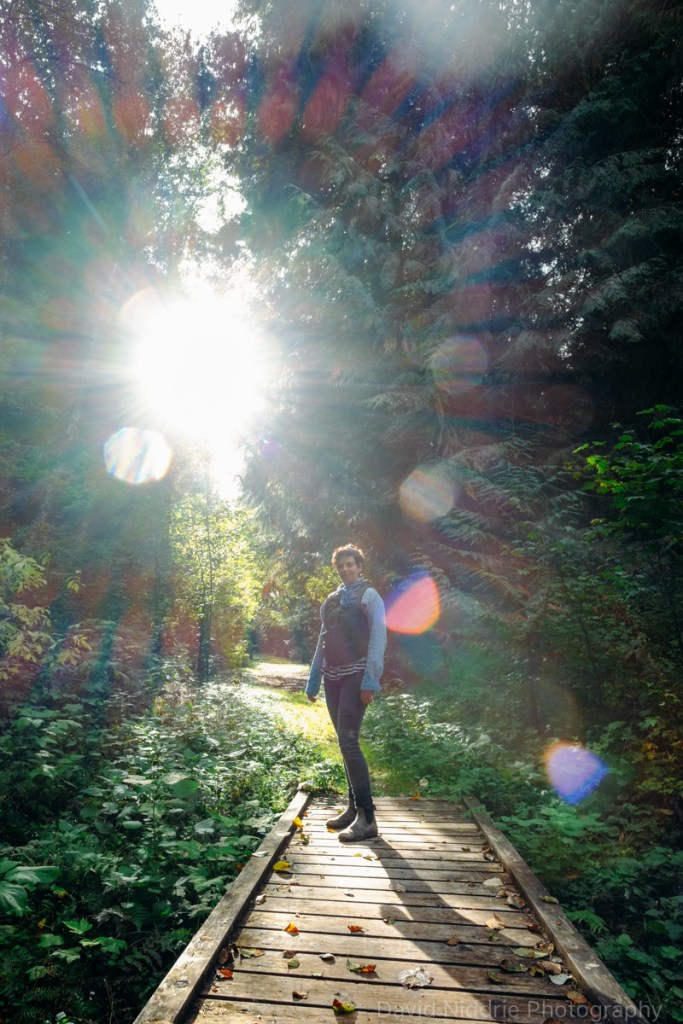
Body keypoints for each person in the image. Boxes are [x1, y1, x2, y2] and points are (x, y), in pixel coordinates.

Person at [305, 544, 386, 842]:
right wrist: (313, 682)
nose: (346, 569)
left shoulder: (370, 597)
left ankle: (368, 817)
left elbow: (378, 638)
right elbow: (322, 642)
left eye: (350, 564)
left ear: (360, 566)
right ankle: (352, 810)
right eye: (341, 565)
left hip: (357, 675)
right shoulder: (331, 600)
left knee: (350, 742)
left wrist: (370, 681)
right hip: (333, 677)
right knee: (343, 741)